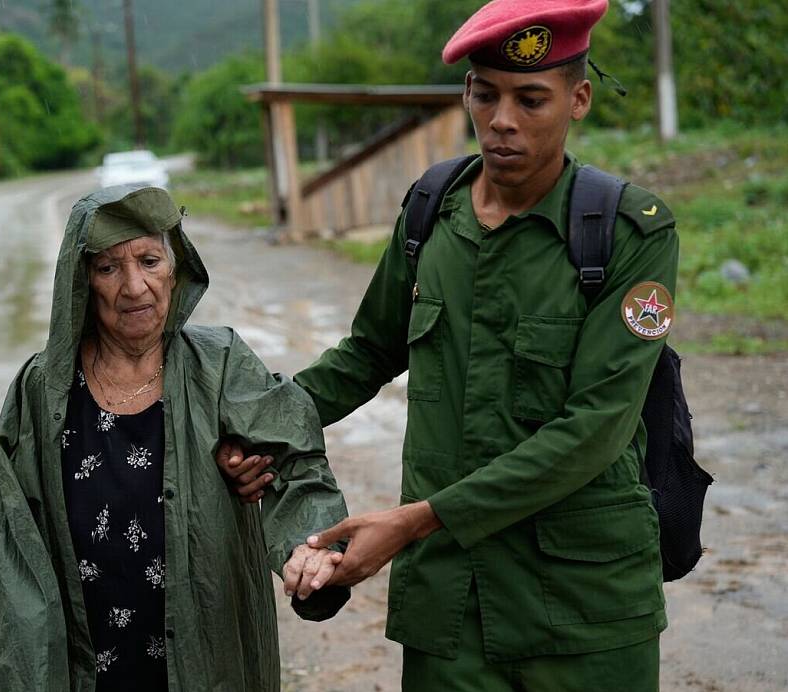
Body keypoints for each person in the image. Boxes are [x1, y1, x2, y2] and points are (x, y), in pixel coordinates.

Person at [219, 0, 677, 689]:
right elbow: (368, 352)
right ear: (466, 92)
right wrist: (255, 430)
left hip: (587, 610)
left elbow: (596, 428)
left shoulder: (629, 232)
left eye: (530, 100)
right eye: (485, 95)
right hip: (450, 607)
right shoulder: (432, 210)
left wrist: (416, 522)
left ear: (578, 99)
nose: (502, 120)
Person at [0, 185, 350, 691]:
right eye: (108, 268)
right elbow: (13, 550)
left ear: (174, 273)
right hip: (88, 667)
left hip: (207, 657)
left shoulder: (219, 364)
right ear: (81, 282)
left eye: (150, 261)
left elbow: (294, 460)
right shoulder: (42, 391)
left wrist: (308, 549)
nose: (134, 286)